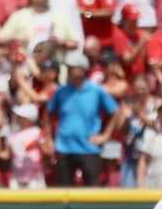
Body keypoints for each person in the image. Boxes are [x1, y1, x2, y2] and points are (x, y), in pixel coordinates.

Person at [47, 51, 122, 187]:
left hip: (88, 149)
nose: (68, 71)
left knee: (92, 194)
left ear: (82, 70)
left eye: (71, 68)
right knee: (63, 192)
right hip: (64, 148)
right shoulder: (60, 91)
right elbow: (48, 113)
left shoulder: (96, 91)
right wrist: (49, 139)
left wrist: (105, 135)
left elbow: (116, 111)